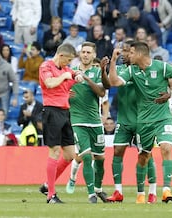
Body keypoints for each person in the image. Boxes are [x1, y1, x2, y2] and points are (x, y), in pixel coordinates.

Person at [108, 41, 172, 203]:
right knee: (143, 157)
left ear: (139, 54)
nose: (128, 56)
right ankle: (141, 194)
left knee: (165, 148)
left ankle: (166, 190)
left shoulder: (161, 67)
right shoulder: (132, 70)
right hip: (143, 121)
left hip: (163, 117)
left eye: (130, 53)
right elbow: (114, 82)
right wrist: (113, 62)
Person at [38, 43, 84, 204]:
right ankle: (51, 195)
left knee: (70, 155)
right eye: (69, 60)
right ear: (61, 55)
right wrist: (66, 77)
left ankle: (46, 185)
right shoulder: (46, 66)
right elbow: (49, 83)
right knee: (55, 151)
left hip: (65, 112)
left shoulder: (66, 70)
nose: (69, 64)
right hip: (51, 111)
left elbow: (75, 74)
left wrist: (77, 75)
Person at [64, 42, 108, 203]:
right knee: (86, 157)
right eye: (83, 52)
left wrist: (87, 78)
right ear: (79, 54)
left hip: (95, 121)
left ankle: (98, 189)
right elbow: (59, 91)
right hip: (77, 120)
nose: (85, 55)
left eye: (88, 52)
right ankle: (91, 194)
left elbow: (102, 92)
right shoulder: (70, 72)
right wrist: (66, 95)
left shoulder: (97, 72)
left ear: (93, 54)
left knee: (101, 160)